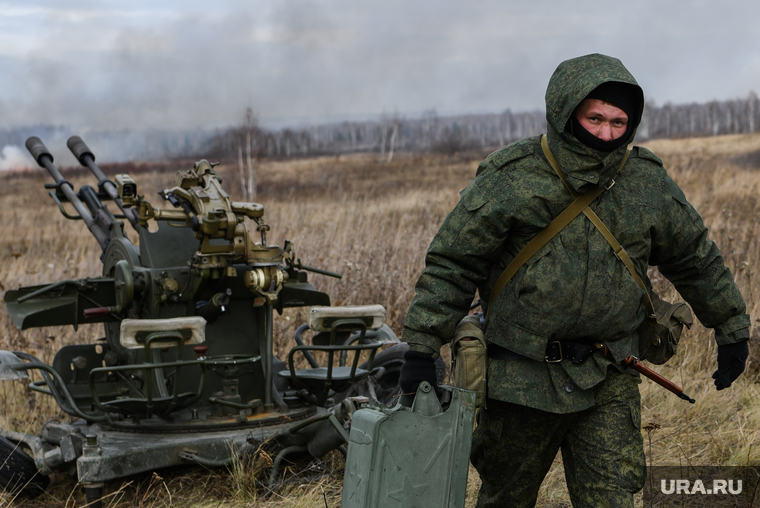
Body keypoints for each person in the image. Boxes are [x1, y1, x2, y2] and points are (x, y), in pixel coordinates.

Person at [399, 53, 750, 507]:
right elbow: (453, 264)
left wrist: (732, 328)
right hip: (519, 380)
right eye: (595, 118)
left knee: (615, 500)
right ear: (567, 112)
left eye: (619, 122)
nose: (606, 134)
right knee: (505, 499)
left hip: (608, 375)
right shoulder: (512, 177)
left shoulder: (646, 183)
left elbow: (695, 258)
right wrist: (422, 347)